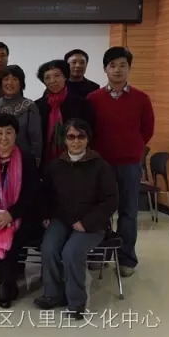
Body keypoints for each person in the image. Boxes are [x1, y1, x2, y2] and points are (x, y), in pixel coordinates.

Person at [34, 118, 118, 319]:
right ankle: (53, 294)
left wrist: (87, 222)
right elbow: (45, 194)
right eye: (71, 137)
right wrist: (46, 215)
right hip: (61, 219)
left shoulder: (101, 166)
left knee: (71, 252)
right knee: (49, 248)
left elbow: (110, 201)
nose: (76, 141)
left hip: (92, 223)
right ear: (64, 139)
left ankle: (76, 301)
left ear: (88, 139)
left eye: (81, 136)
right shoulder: (56, 165)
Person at [87, 47, 154, 278]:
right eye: (112, 65)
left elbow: (147, 131)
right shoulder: (93, 99)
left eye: (122, 65)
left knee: (128, 213)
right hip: (100, 165)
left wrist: (131, 148)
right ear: (105, 69)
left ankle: (126, 258)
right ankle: (99, 254)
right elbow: (90, 132)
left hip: (129, 165)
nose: (117, 70)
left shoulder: (141, 98)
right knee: (100, 212)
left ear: (129, 68)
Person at [0, 114, 42, 309]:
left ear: (16, 135)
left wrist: (11, 214)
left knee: (13, 240)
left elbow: (32, 194)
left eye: (8, 132)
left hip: (20, 215)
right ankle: (7, 281)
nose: (4, 137)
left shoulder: (26, 159)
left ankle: (5, 282)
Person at [35, 59, 94, 170]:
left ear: (65, 77)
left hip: (76, 162)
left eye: (57, 75)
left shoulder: (82, 104)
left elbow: (89, 133)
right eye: (47, 77)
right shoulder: (37, 106)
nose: (52, 81)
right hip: (45, 163)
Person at [0, 65, 43, 165]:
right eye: (6, 79)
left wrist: (35, 162)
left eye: (14, 79)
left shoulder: (29, 106)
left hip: (23, 160)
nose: (9, 83)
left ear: (21, 83)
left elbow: (36, 139)